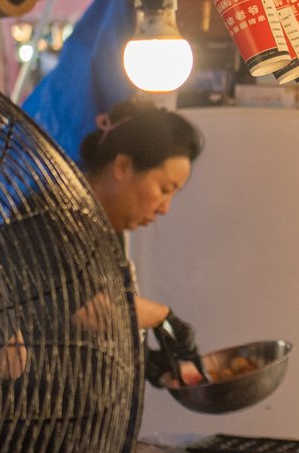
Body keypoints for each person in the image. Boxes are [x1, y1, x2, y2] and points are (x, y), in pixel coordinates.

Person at [76, 98, 206, 385]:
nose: (165, 208)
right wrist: (162, 317)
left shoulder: (109, 228)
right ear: (122, 166)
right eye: (164, 189)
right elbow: (85, 310)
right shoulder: (56, 215)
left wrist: (152, 365)